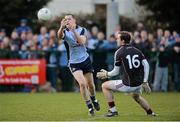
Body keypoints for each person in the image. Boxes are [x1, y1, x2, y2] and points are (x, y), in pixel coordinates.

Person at [97, 31, 156, 117]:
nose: (116, 39)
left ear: (123, 41)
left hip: (128, 84)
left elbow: (115, 72)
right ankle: (151, 113)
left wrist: (107, 74)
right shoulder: (137, 50)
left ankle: (113, 111)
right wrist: (145, 81)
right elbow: (146, 65)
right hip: (138, 83)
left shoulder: (119, 52)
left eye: (118, 38)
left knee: (104, 86)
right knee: (137, 97)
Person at [57, 14, 100, 116]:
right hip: (74, 63)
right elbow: (59, 36)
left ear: (74, 20)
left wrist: (74, 31)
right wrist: (61, 27)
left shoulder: (82, 30)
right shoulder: (64, 31)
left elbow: (81, 42)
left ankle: (94, 99)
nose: (67, 21)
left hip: (85, 60)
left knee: (91, 85)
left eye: (69, 19)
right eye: (65, 19)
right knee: (82, 84)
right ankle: (90, 107)